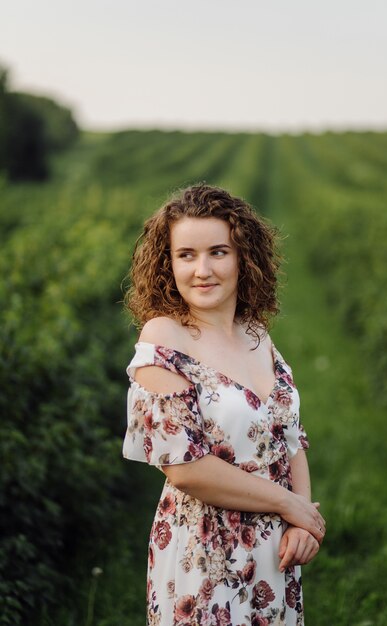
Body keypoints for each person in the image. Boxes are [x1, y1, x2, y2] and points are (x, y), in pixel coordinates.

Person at [122, 183, 325, 626]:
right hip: (205, 554)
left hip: (276, 551)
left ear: (242, 258)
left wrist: (303, 522)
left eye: (218, 252)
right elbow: (185, 467)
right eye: (186, 255)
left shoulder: (257, 335)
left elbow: (290, 436)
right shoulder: (162, 337)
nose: (202, 270)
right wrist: (289, 504)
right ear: (168, 263)